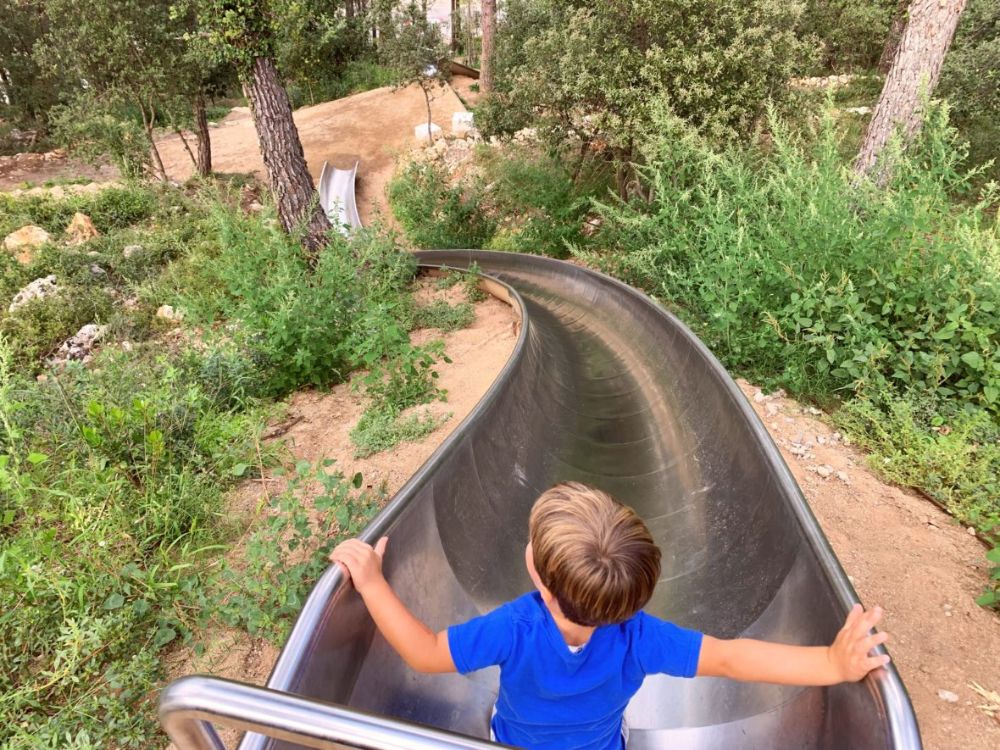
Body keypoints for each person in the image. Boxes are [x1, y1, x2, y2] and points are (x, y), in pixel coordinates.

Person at [329, 481, 890, 750]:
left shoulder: (516, 626)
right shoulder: (639, 637)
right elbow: (732, 656)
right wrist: (833, 663)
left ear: (542, 585)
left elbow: (424, 653)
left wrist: (374, 583)